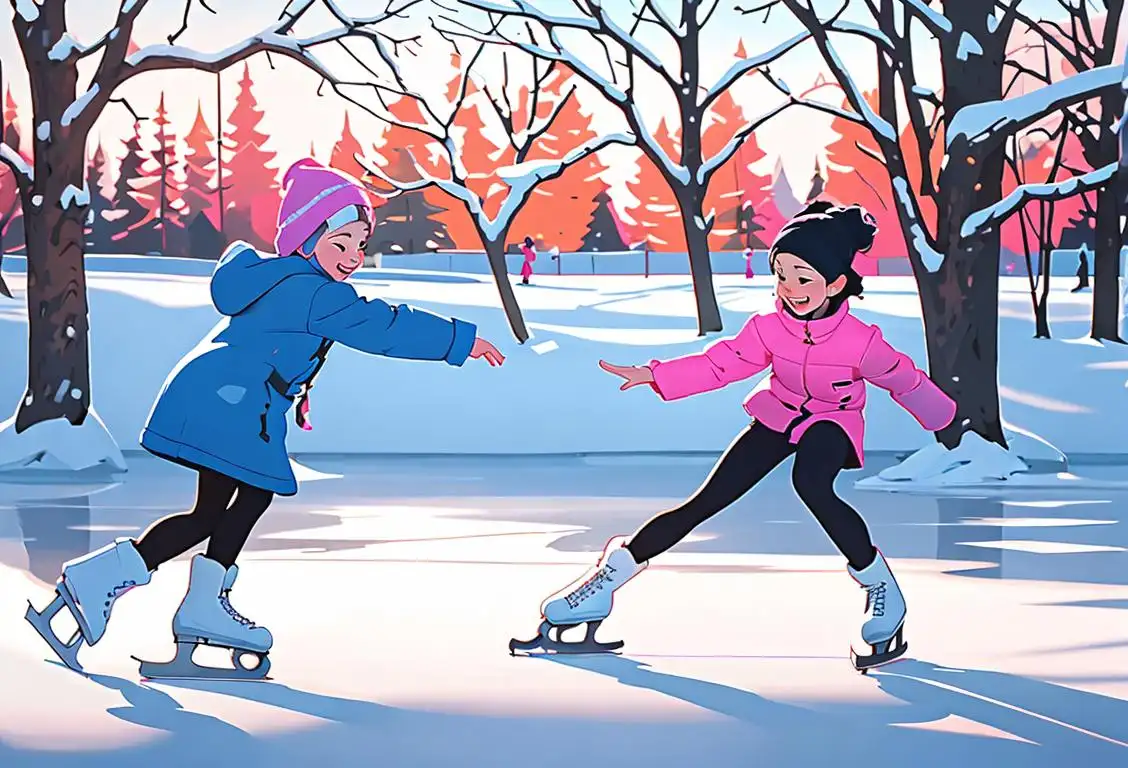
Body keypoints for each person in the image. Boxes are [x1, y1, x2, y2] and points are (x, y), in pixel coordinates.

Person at [27, 158, 505, 679]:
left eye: (359, 245)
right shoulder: (315, 291)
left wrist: (292, 391)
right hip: (233, 404)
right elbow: (381, 326)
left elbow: (275, 346)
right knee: (250, 493)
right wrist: (458, 340)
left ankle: (153, 594)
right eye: (339, 243)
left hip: (218, 397)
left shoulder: (279, 279)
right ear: (306, 238)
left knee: (214, 510)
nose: (352, 257)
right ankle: (149, 594)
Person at [510, 201, 956, 672]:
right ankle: (603, 585)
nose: (791, 289)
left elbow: (903, 379)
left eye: (804, 279)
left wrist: (944, 418)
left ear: (837, 283)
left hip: (833, 421)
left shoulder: (860, 341)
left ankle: (879, 586)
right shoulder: (768, 329)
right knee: (706, 500)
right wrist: (657, 375)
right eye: (782, 275)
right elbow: (722, 363)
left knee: (811, 484)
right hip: (778, 414)